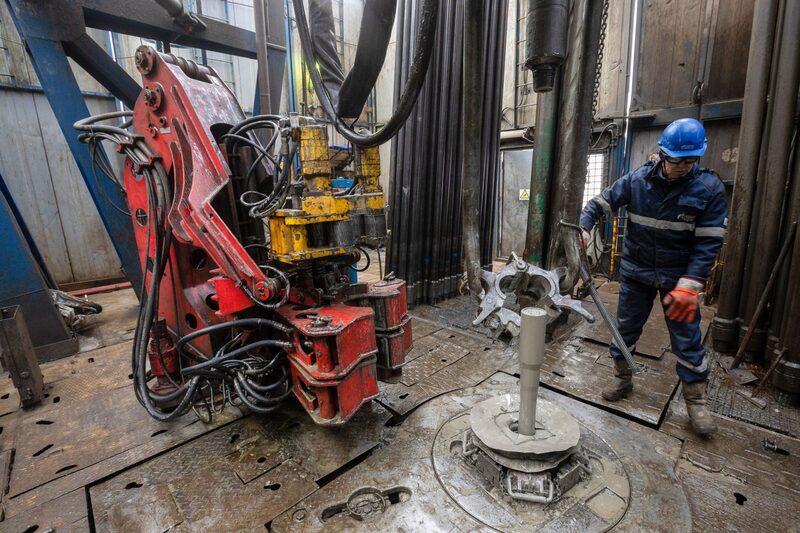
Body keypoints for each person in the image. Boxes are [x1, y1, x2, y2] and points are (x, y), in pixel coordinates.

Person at [580, 118, 728, 436]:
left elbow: (708, 243)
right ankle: (622, 378)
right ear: (663, 155)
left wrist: (690, 286)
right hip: (636, 272)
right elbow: (598, 204)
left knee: (687, 338)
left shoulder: (709, 189)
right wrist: (583, 227)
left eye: (691, 161)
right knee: (626, 329)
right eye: (677, 161)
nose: (684, 167)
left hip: (679, 278)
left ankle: (696, 402)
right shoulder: (637, 181)